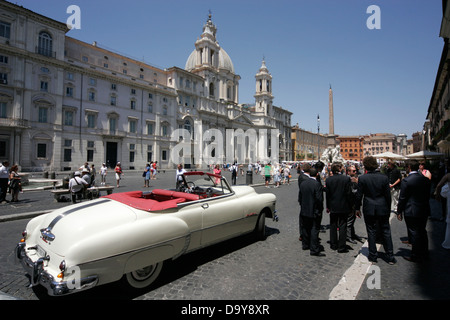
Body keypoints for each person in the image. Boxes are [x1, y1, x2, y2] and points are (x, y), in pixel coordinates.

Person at [355, 156, 396, 265]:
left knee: (371, 231)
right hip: (382, 207)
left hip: (369, 207)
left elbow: (359, 196)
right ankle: (390, 256)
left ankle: (373, 255)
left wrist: (357, 208)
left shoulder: (363, 178)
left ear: (366, 166)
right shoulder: (384, 177)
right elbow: (388, 195)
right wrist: (388, 208)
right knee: (386, 231)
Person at [396, 160, 431, 262]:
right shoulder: (425, 180)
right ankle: (425, 252)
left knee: (414, 232)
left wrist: (399, 211)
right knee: (423, 231)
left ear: (409, 167)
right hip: (423, 209)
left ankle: (415, 255)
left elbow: (402, 198)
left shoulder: (406, 181)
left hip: (411, 210)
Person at [325, 162, 352, 253]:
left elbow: (327, 195)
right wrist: (351, 206)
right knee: (343, 225)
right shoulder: (346, 179)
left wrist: (328, 206)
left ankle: (333, 244)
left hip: (332, 205)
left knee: (333, 225)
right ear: (340, 169)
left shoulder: (328, 180)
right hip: (344, 206)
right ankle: (341, 246)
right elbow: (349, 194)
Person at [298, 167, 325, 257]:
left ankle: (305, 245)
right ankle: (314, 249)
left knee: (305, 228)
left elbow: (300, 198)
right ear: (317, 174)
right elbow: (319, 199)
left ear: (309, 174)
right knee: (314, 229)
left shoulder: (303, 183)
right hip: (314, 211)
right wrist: (320, 210)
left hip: (304, 210)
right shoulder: (317, 184)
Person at [346, 165, 363, 244]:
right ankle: (348, 236)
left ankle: (352, 234)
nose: (355, 172)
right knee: (349, 220)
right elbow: (353, 191)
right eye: (353, 171)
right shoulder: (348, 180)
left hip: (356, 202)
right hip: (351, 203)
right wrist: (358, 183)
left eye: (355, 170)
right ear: (348, 172)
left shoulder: (355, 179)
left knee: (353, 219)